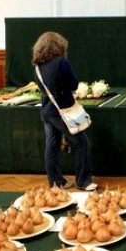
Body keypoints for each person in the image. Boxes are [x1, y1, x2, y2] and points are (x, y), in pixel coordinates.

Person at [32, 31, 97, 191]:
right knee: (82, 144)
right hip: (62, 110)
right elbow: (74, 85)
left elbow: (42, 88)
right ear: (59, 45)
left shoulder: (38, 66)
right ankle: (84, 181)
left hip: (47, 110)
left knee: (52, 146)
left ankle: (56, 182)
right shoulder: (62, 62)